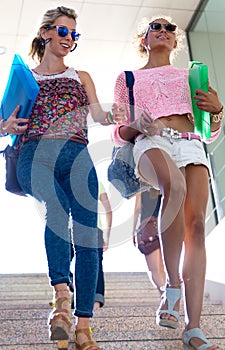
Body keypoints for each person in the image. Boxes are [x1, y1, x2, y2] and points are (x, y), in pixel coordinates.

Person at [0, 6, 118, 350]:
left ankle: (83, 328)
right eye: (63, 32)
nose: (69, 39)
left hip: (78, 157)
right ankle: (61, 295)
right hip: (36, 154)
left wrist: (114, 114)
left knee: (90, 238)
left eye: (74, 35)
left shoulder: (82, 76)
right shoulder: (25, 76)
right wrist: (5, 127)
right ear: (46, 33)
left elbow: (98, 115)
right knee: (56, 211)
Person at [111, 15, 223, 350]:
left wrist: (217, 110)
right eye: (155, 28)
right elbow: (118, 135)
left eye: (169, 29)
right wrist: (138, 124)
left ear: (175, 42)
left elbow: (210, 131)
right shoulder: (127, 78)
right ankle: (172, 286)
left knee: (197, 226)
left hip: (190, 142)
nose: (163, 31)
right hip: (151, 141)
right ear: (143, 39)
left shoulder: (192, 77)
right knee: (174, 188)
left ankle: (194, 328)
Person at [70, 181, 113, 311]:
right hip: (94, 228)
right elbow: (108, 210)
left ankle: (70, 283)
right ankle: (96, 303)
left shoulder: (66, 178)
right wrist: (107, 235)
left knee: (63, 259)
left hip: (69, 227)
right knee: (96, 265)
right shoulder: (96, 182)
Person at [133, 189, 166, 297]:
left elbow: (137, 209)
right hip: (165, 228)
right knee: (163, 269)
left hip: (148, 228)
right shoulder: (162, 187)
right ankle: (168, 296)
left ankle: (167, 297)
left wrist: (133, 231)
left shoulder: (141, 189)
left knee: (153, 270)